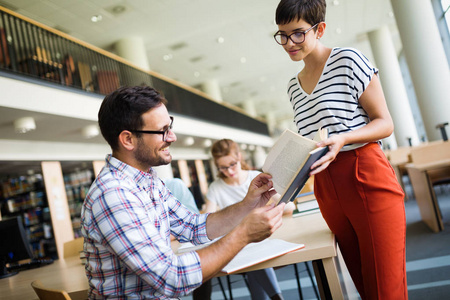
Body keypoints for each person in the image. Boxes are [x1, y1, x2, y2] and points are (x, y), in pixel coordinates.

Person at [80, 86, 286, 299]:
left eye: (170, 126)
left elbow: (193, 227)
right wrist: (243, 234)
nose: (172, 137)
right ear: (128, 140)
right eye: (162, 131)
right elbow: (172, 278)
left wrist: (247, 205)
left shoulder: (149, 181)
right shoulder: (113, 195)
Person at [273, 1, 408, 299]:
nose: (288, 43)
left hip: (365, 173)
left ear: (319, 29)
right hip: (326, 187)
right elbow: (315, 139)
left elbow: (385, 123)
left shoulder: (348, 60)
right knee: (363, 285)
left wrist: (344, 139)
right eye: (282, 35)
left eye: (297, 33)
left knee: (386, 289)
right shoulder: (293, 87)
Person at [205, 139, 295, 300]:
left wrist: (267, 209)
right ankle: (277, 297)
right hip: (241, 247)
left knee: (253, 252)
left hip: (263, 240)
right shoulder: (216, 187)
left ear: (239, 157)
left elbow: (289, 207)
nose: (229, 171)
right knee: (251, 250)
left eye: (232, 164)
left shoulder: (256, 179)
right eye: (223, 167)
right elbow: (207, 218)